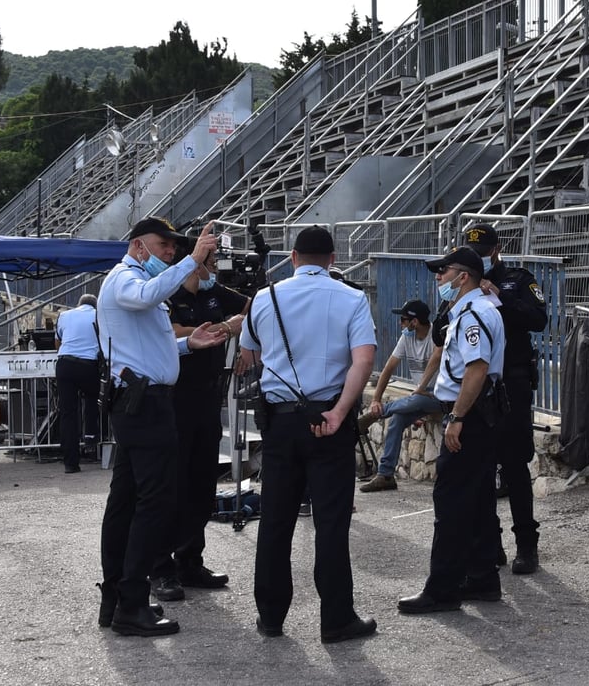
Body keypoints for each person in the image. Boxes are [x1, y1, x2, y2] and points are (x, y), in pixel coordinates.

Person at [235, 225, 378, 644]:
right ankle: (336, 619)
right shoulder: (352, 298)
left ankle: (271, 616)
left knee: (275, 522)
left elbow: (249, 355)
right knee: (331, 524)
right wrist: (337, 411)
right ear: (332, 260)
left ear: (293, 258)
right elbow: (363, 361)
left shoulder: (265, 298)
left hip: (279, 422)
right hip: (328, 421)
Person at [96, 217, 226, 637]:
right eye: (163, 245)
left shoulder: (136, 283)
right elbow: (148, 294)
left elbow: (148, 348)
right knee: (154, 503)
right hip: (144, 404)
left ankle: (118, 597)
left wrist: (189, 344)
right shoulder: (126, 279)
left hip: (144, 400)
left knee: (128, 502)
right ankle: (131, 599)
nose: (170, 251)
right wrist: (193, 259)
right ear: (138, 245)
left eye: (175, 247)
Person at [398, 246, 506, 615]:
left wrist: (457, 417)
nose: (438, 279)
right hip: (478, 414)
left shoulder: (474, 313)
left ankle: (443, 590)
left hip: (470, 415)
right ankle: (481, 577)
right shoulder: (477, 308)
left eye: (443, 272)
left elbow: (476, 369)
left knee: (452, 502)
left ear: (463, 277)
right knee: (476, 501)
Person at [150, 243, 250, 601]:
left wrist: (248, 342)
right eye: (211, 261)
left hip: (208, 401)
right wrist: (226, 327)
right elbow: (172, 331)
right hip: (175, 402)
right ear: (193, 263)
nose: (216, 268)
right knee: (169, 486)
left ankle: (190, 560)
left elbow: (252, 308)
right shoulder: (167, 291)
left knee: (202, 484)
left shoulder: (213, 291)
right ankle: (159, 568)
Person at [463, 223, 548, 575]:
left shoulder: (517, 278)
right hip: (477, 383)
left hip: (511, 382)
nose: (479, 259)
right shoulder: (462, 283)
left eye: (483, 252)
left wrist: (499, 297)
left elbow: (538, 319)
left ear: (496, 250)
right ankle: (491, 542)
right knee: (482, 466)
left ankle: (526, 544)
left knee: (514, 465)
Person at [358, 299, 444, 492]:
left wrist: (420, 387)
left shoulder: (435, 336)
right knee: (398, 418)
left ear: (414, 322)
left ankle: (374, 417)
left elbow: (436, 360)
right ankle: (386, 474)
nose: (400, 324)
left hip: (439, 396)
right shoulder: (407, 338)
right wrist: (376, 399)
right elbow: (388, 368)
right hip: (418, 397)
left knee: (416, 398)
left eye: (404, 320)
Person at [54, 294, 100, 474]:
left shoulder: (65, 315)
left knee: (68, 413)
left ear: (78, 304)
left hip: (65, 364)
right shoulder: (99, 315)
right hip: (88, 365)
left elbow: (58, 342)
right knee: (93, 398)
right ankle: (91, 436)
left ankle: (70, 463)